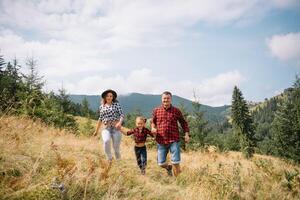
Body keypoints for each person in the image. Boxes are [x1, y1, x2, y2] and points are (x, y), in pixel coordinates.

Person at [151, 91, 190, 177]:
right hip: (161, 141)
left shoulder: (176, 111)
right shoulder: (156, 110)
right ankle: (168, 168)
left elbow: (183, 123)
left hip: (174, 140)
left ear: (171, 99)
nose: (166, 100)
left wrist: (186, 134)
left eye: (168, 98)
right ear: (161, 99)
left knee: (175, 162)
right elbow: (153, 122)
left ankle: (179, 180)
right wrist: (153, 127)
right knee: (160, 163)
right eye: (164, 98)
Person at [93, 89, 124, 167]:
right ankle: (109, 159)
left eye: (111, 96)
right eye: (107, 96)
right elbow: (100, 118)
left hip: (116, 129)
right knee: (106, 141)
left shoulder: (116, 105)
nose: (109, 97)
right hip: (106, 128)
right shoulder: (101, 107)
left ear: (113, 97)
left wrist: (119, 123)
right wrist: (96, 131)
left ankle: (119, 164)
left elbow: (121, 115)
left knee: (116, 149)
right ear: (105, 97)